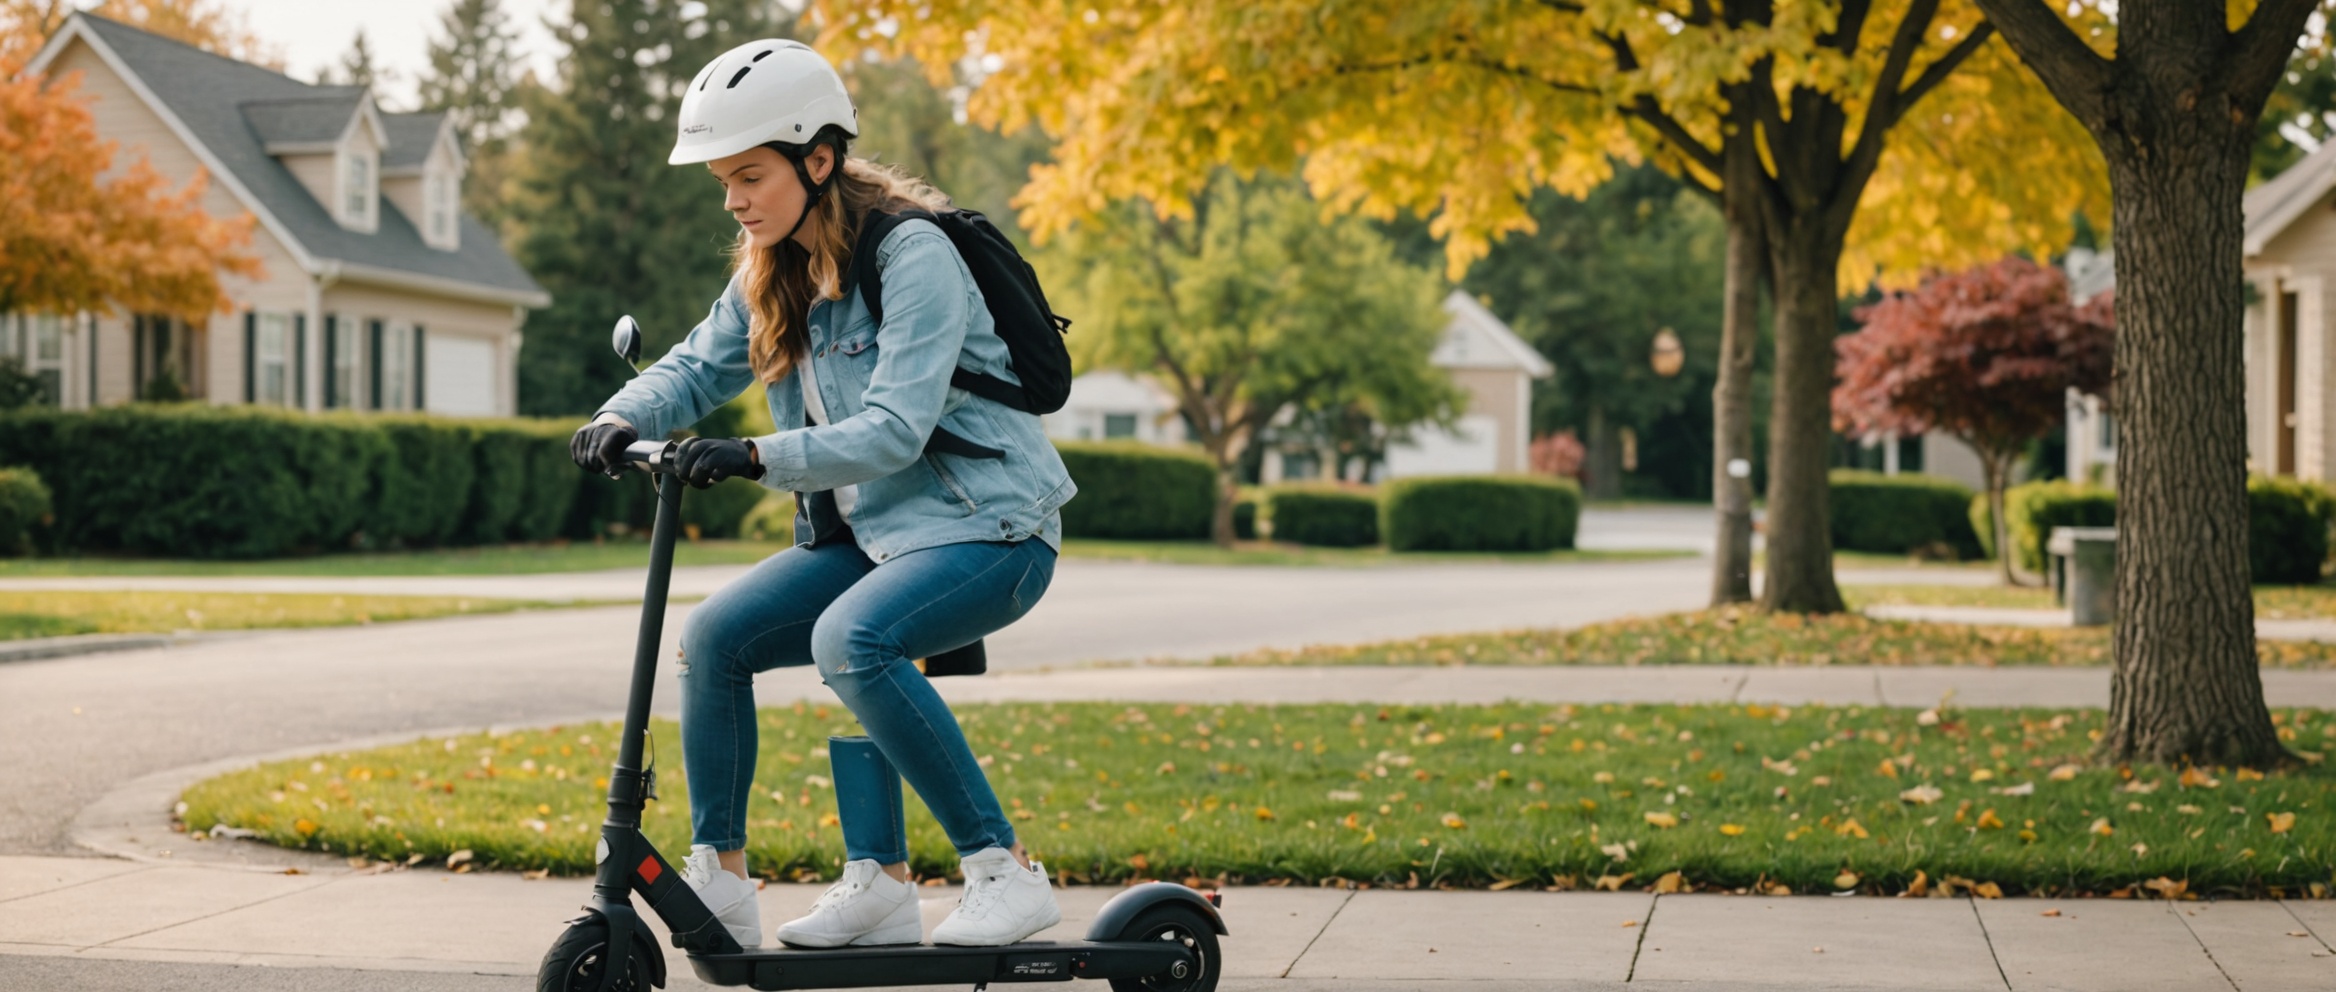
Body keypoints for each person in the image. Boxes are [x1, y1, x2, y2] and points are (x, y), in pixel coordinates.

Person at [568, 38, 1075, 950]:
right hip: (871, 534)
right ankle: (745, 880)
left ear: (819, 158)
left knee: (855, 637)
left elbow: (895, 430)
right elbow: (691, 366)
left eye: (750, 176)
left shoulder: (912, 254)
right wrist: (617, 416)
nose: (734, 199)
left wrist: (755, 455)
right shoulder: (771, 268)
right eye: (724, 179)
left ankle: (1005, 871)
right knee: (715, 638)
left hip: (991, 529)